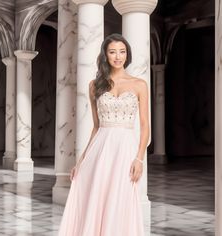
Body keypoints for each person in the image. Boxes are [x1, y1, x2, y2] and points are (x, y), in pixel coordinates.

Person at [58, 33, 149, 236]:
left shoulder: (139, 84)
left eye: (122, 51)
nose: (118, 56)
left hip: (125, 150)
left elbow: (145, 127)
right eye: (113, 52)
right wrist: (81, 162)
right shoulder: (94, 85)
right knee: (97, 197)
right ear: (105, 55)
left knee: (121, 197)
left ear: (128, 54)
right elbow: (96, 127)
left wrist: (139, 159)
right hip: (100, 149)